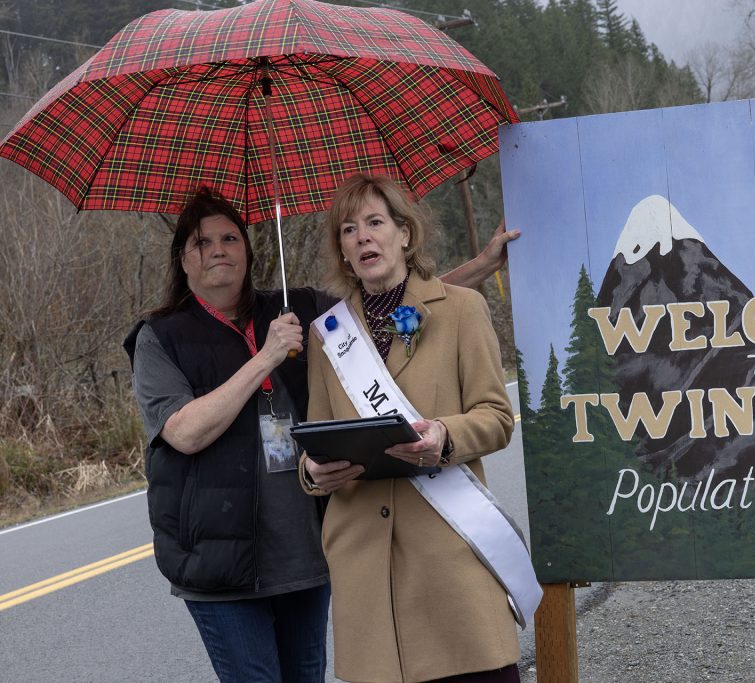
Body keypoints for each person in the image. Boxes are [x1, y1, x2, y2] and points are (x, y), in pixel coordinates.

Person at [124, 186, 517, 683]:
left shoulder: (301, 309)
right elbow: (184, 433)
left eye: (230, 237)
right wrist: (266, 356)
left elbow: (402, 306)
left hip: (303, 559)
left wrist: (483, 265)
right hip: (220, 565)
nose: (218, 249)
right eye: (202, 242)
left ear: (248, 250)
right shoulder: (160, 337)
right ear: (182, 259)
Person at [300, 175, 522, 683]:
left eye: (375, 223)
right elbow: (313, 440)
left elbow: (495, 417)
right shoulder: (327, 335)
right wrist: (314, 471)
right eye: (349, 230)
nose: (363, 238)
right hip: (364, 567)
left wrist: (444, 436)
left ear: (405, 234)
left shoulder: (461, 309)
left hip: (447, 550)